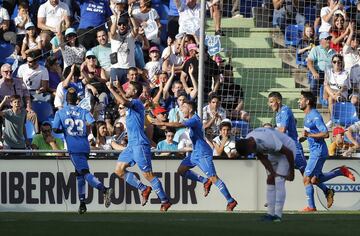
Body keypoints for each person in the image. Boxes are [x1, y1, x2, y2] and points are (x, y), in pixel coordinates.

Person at [152, 100, 238, 211]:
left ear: (190, 109)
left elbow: (179, 124)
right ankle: (204, 181)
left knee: (214, 178)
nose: (181, 109)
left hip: (203, 153)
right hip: (195, 153)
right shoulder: (194, 119)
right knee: (181, 171)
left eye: (183, 107)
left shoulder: (194, 119)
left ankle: (231, 201)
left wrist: (163, 123)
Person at [106, 81, 171, 211]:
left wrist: (112, 89)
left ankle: (165, 201)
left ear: (134, 92)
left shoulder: (136, 103)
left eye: (128, 88)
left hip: (140, 144)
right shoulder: (133, 103)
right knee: (119, 171)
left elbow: (124, 102)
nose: (126, 90)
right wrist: (119, 88)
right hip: (131, 145)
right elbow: (125, 98)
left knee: (148, 175)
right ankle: (144, 189)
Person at [268, 91, 335, 208]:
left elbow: (283, 129)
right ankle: (326, 191)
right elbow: (289, 125)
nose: (270, 104)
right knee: (308, 177)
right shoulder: (278, 114)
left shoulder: (285, 110)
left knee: (307, 177)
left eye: (271, 102)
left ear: (278, 101)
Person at [52, 88, 112, 214]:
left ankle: (104, 189)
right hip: (84, 146)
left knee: (84, 173)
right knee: (79, 174)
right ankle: (82, 203)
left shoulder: (61, 112)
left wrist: (66, 130)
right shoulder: (83, 111)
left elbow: (55, 129)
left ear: (66, 100)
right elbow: (93, 123)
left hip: (73, 148)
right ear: (77, 100)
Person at [298, 90, 355, 211]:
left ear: (307, 101)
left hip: (318, 152)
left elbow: (325, 134)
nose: (299, 101)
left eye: (301, 99)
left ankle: (311, 207)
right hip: (316, 151)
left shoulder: (315, 116)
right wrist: (303, 137)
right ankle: (339, 174)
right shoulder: (308, 116)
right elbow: (311, 133)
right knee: (315, 179)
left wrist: (309, 135)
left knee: (306, 178)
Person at [235, 127, 296, 222]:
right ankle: (270, 214)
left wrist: (292, 173)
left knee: (279, 180)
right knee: (270, 179)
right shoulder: (249, 141)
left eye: (249, 151)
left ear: (250, 143)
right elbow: (262, 158)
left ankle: (277, 216)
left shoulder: (267, 140)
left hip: (287, 149)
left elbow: (288, 152)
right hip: (274, 152)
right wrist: (272, 172)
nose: (251, 153)